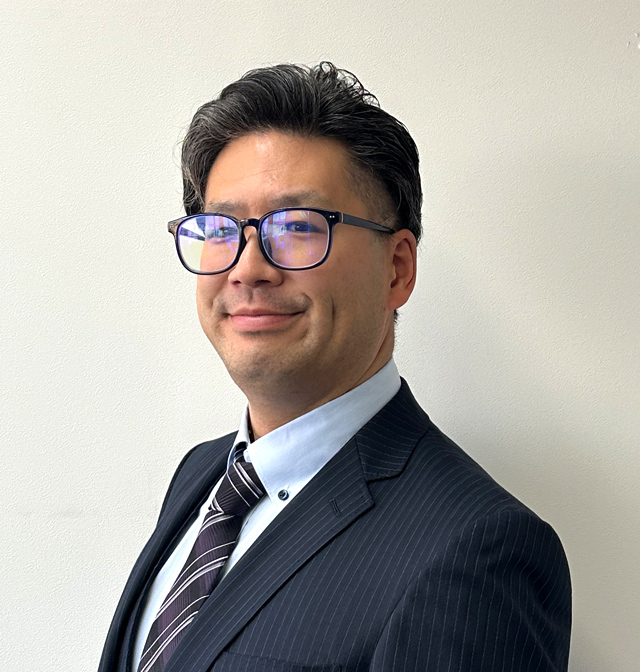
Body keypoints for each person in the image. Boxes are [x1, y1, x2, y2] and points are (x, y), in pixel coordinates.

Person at [99, 62, 571, 672]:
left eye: (297, 226)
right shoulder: (201, 474)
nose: (248, 268)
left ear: (397, 270)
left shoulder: (477, 549)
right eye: (220, 228)